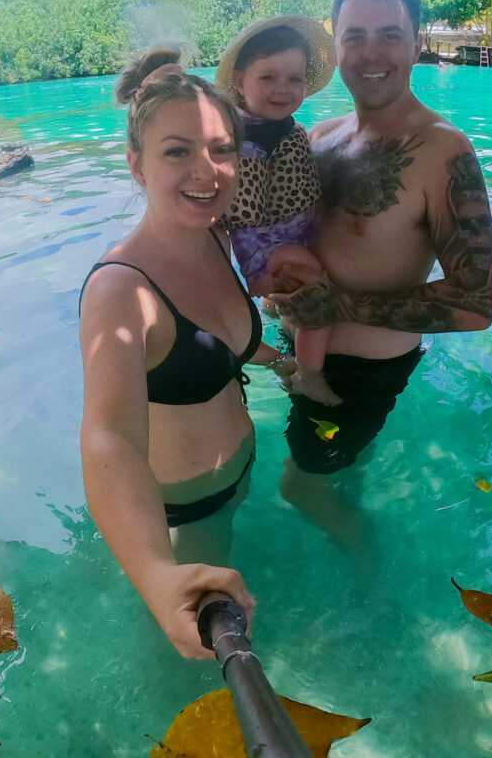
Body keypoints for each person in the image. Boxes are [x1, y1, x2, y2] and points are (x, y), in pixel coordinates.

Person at [272, 0, 492, 539]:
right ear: (336, 43)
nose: (371, 53)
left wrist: (336, 308)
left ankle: (370, 586)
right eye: (355, 36)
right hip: (300, 350)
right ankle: (357, 494)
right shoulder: (318, 137)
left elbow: (477, 303)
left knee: (298, 486)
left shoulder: (442, 150)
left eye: (390, 35)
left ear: (418, 43)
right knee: (337, 470)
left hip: (360, 379)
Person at [79, 48, 286, 659]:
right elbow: (109, 435)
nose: (208, 170)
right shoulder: (121, 291)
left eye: (222, 150)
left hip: (238, 474)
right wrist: (154, 574)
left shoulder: (216, 238)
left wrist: (287, 366)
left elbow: (222, 343)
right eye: (178, 151)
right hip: (183, 510)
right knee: (186, 655)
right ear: (137, 167)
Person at [214, 16, 340, 405]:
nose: (282, 90)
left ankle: (272, 307)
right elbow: (238, 210)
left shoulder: (283, 130)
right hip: (267, 250)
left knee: (295, 289)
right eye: (267, 78)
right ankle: (309, 373)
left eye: (294, 80)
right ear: (239, 81)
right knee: (322, 296)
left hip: (282, 240)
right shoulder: (236, 139)